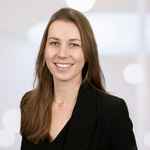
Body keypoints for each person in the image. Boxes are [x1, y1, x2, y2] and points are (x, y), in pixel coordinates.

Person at [20, 7, 138, 150]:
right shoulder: (30, 104)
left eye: (74, 44)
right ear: (44, 50)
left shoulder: (112, 111)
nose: (62, 54)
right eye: (54, 43)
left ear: (88, 53)